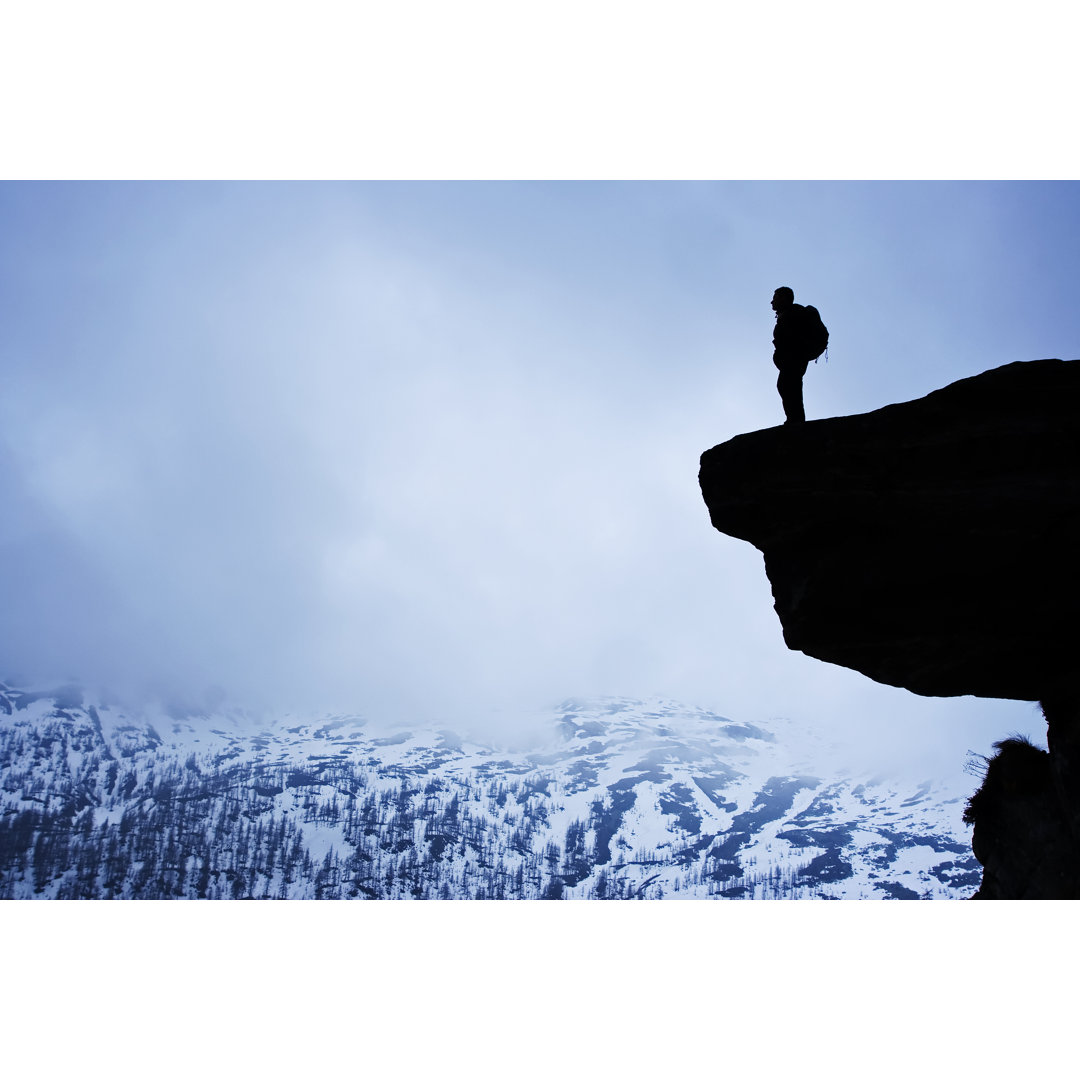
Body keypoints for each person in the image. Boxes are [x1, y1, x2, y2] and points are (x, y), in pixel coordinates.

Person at [770, 286, 826, 424]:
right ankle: (794, 420)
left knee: (788, 385)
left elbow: (793, 337)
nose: (772, 302)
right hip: (793, 357)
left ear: (784, 298)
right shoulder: (788, 314)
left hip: (794, 357)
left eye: (775, 297)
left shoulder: (794, 313)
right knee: (786, 385)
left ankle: (795, 421)